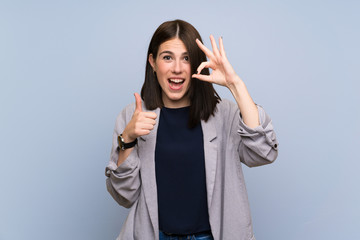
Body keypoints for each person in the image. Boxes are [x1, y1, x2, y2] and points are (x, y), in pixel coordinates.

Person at [105, 19, 278, 240]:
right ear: (153, 62)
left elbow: (264, 152)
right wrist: (127, 139)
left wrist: (235, 85)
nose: (177, 68)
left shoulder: (224, 115)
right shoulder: (132, 117)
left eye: (186, 58)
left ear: (196, 62)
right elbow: (124, 196)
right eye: (167, 57)